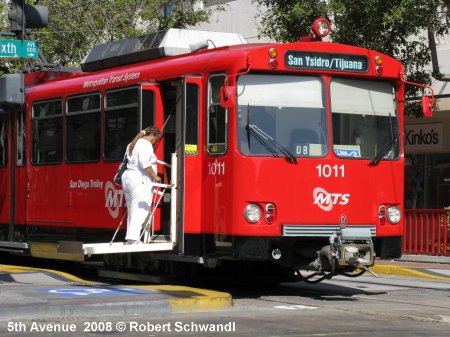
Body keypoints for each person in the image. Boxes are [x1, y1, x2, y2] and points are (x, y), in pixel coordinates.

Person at [121, 126, 162, 244]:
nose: (155, 142)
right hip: (139, 179)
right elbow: (145, 164)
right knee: (141, 209)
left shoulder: (132, 143)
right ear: (151, 135)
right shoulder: (145, 144)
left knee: (132, 209)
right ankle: (134, 238)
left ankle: (131, 237)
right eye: (156, 139)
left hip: (128, 177)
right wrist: (155, 176)